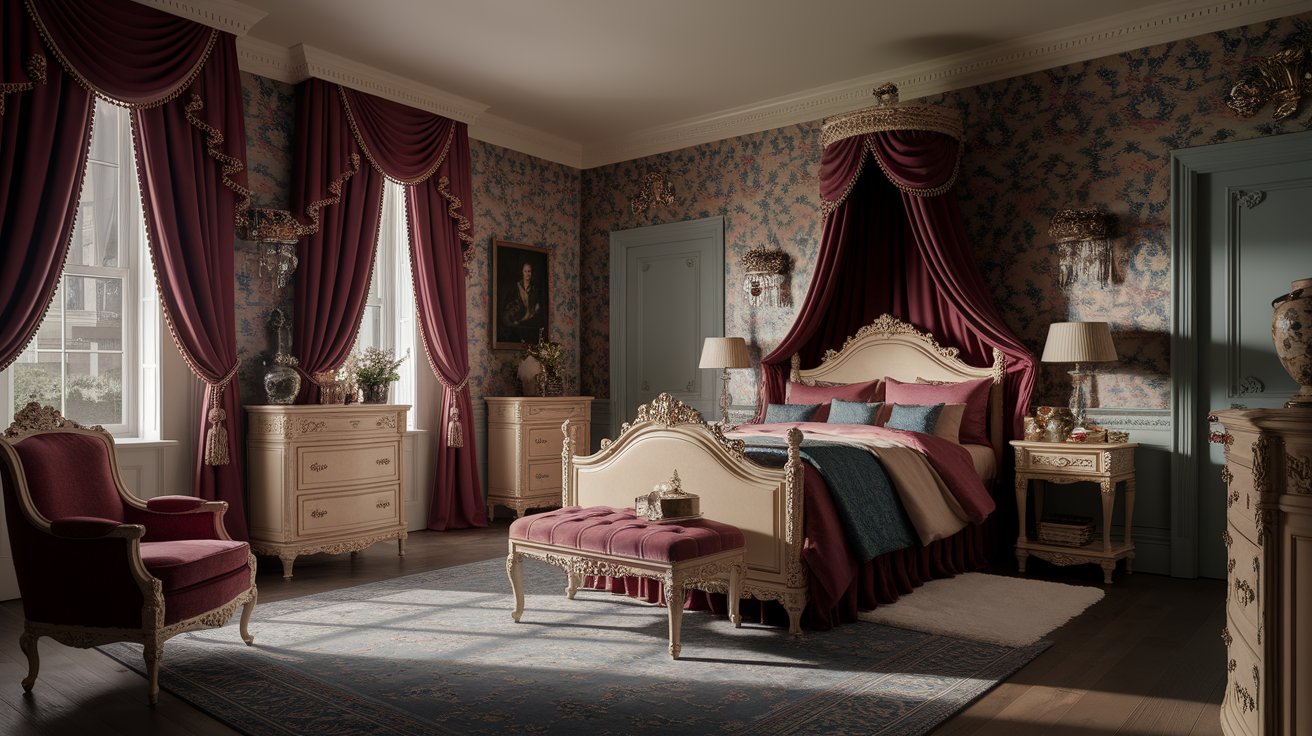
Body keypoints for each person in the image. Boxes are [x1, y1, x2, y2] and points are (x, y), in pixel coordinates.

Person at [501, 260, 544, 344]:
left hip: (529, 323)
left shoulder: (535, 289)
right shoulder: (515, 288)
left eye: (529, 271)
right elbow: (509, 306)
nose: (527, 274)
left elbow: (537, 308)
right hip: (516, 323)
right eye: (525, 271)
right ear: (522, 272)